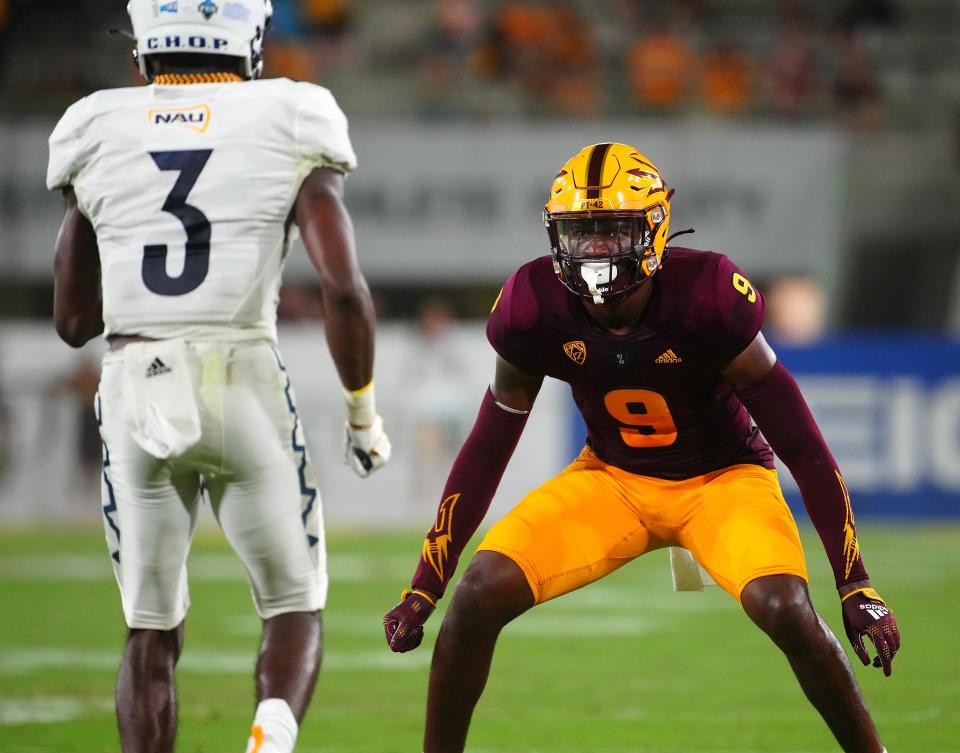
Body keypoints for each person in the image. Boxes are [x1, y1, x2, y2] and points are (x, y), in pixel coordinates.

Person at [383, 143, 900, 753]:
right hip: (612, 479)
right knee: (476, 594)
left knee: (784, 605)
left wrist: (854, 582)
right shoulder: (532, 305)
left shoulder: (707, 295)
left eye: (612, 230)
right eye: (581, 232)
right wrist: (426, 584)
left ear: (654, 228)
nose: (596, 249)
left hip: (722, 479)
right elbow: (487, 447)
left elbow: (802, 445)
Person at [47, 2, 391, 752]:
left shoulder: (95, 123)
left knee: (149, 629)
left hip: (135, 377)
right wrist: (362, 411)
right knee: (294, 602)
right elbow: (343, 285)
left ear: (144, 51)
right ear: (253, 44)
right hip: (241, 373)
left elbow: (73, 320)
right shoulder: (292, 112)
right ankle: (270, 735)